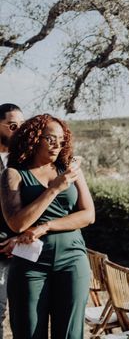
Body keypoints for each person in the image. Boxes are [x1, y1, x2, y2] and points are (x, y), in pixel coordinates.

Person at [0, 114, 95, 339]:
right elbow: (17, 222)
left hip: (72, 259)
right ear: (33, 138)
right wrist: (53, 189)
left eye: (61, 140)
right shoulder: (12, 174)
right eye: (50, 139)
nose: (57, 144)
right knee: (29, 333)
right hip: (30, 264)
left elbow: (88, 215)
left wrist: (46, 227)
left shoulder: (70, 170)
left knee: (71, 334)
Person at [0, 103, 24, 339]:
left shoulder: (27, 162)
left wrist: (21, 237)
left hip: (25, 250)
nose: (19, 132)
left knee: (23, 318)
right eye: (13, 126)